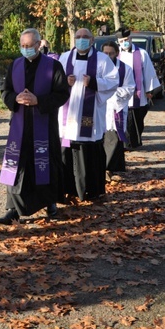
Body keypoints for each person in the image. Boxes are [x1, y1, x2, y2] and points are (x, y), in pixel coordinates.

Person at [0, 28, 69, 224]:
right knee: (16, 166)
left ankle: (50, 203)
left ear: (38, 44)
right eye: (22, 46)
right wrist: (15, 98)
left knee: (45, 162)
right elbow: (5, 91)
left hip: (43, 125)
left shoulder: (53, 66)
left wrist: (39, 101)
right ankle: (13, 208)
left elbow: (62, 94)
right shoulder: (15, 65)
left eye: (29, 45)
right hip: (20, 126)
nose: (25, 49)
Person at [58, 29, 119, 202]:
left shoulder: (102, 59)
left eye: (85, 37)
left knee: (89, 151)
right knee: (66, 150)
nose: (81, 40)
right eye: (78, 37)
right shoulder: (64, 58)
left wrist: (93, 82)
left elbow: (113, 81)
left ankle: (91, 190)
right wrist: (64, 81)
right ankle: (67, 189)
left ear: (92, 40)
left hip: (90, 115)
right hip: (68, 114)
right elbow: (53, 81)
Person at [116, 27, 161, 149]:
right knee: (122, 119)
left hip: (137, 94)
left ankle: (134, 142)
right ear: (118, 42)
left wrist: (149, 90)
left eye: (126, 39)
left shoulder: (141, 53)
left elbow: (148, 72)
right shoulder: (115, 55)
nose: (124, 42)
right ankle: (124, 143)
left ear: (130, 39)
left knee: (136, 119)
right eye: (121, 41)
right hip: (120, 94)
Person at [100, 40, 135, 176]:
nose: (108, 56)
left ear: (117, 53)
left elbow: (130, 88)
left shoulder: (125, 69)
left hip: (116, 107)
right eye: (105, 53)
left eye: (111, 53)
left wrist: (112, 92)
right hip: (100, 106)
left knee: (113, 137)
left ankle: (110, 168)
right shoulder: (96, 67)